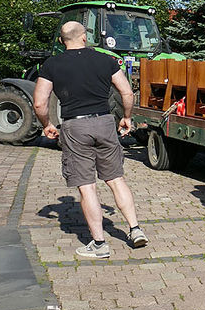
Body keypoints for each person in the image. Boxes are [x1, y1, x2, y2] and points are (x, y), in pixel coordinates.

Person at [32, 21, 148, 259]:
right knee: (116, 179)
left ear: (62, 41)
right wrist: (126, 117)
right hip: (105, 122)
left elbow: (39, 103)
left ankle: (99, 244)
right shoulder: (105, 60)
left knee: (87, 187)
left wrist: (47, 125)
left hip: (75, 126)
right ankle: (135, 229)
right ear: (83, 37)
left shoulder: (52, 64)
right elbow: (126, 92)